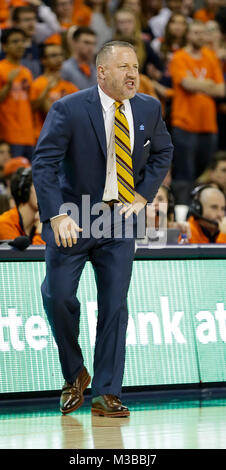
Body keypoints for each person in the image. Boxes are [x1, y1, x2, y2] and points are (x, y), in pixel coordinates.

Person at [32, 40, 173, 416]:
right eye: (124, 66)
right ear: (102, 72)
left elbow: (163, 150)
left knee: (115, 307)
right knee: (57, 296)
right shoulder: (69, 108)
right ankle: (76, 373)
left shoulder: (149, 107)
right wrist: (55, 215)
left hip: (120, 219)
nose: (132, 74)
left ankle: (106, 392)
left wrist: (144, 195)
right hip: (73, 217)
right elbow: (43, 164)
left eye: (137, 67)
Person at [170, 20, 225, 205]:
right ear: (187, 34)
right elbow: (186, 83)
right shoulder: (179, 57)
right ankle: (183, 211)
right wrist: (208, 85)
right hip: (184, 124)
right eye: (195, 32)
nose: (199, 36)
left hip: (208, 126)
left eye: (202, 33)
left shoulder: (210, 56)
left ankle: (201, 208)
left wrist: (199, 85)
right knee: (185, 175)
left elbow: (222, 90)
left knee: (205, 174)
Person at [30, 43, 78, 142]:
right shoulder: (38, 84)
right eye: (54, 56)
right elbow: (49, 114)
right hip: (44, 138)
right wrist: (46, 90)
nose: (59, 59)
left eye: (61, 55)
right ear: (43, 60)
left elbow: (79, 113)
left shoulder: (69, 86)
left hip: (67, 138)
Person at [0, 28, 35, 160]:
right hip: (8, 135)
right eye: (15, 41)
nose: (20, 45)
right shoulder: (1, 68)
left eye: (22, 41)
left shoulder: (26, 71)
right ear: (4, 46)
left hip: (28, 135)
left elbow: (30, 104)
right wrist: (8, 84)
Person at [11, 4, 61, 78]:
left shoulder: (39, 44)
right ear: (15, 23)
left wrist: (40, 6)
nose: (32, 23)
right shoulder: (6, 48)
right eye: (27, 20)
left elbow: (55, 28)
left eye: (34, 19)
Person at [0, 167, 45, 244]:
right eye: (38, 186)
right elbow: (19, 256)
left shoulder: (40, 222)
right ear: (25, 190)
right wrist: (41, 233)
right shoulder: (4, 224)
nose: (45, 192)